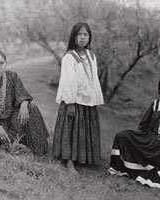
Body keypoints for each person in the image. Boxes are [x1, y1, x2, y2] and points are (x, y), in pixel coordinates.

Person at [0, 42, 49, 158]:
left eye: (1, 63)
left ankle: (38, 148)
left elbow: (23, 95)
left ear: (6, 63)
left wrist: (24, 104)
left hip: (9, 121)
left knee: (32, 108)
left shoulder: (12, 77)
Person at [52, 22, 104, 173]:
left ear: (89, 37)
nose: (82, 37)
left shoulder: (91, 56)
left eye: (85, 34)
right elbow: (68, 81)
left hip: (88, 100)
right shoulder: (69, 57)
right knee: (71, 130)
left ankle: (84, 159)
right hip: (73, 101)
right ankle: (69, 162)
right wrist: (70, 103)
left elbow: (93, 78)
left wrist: (94, 98)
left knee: (85, 130)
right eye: (79, 34)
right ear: (74, 36)